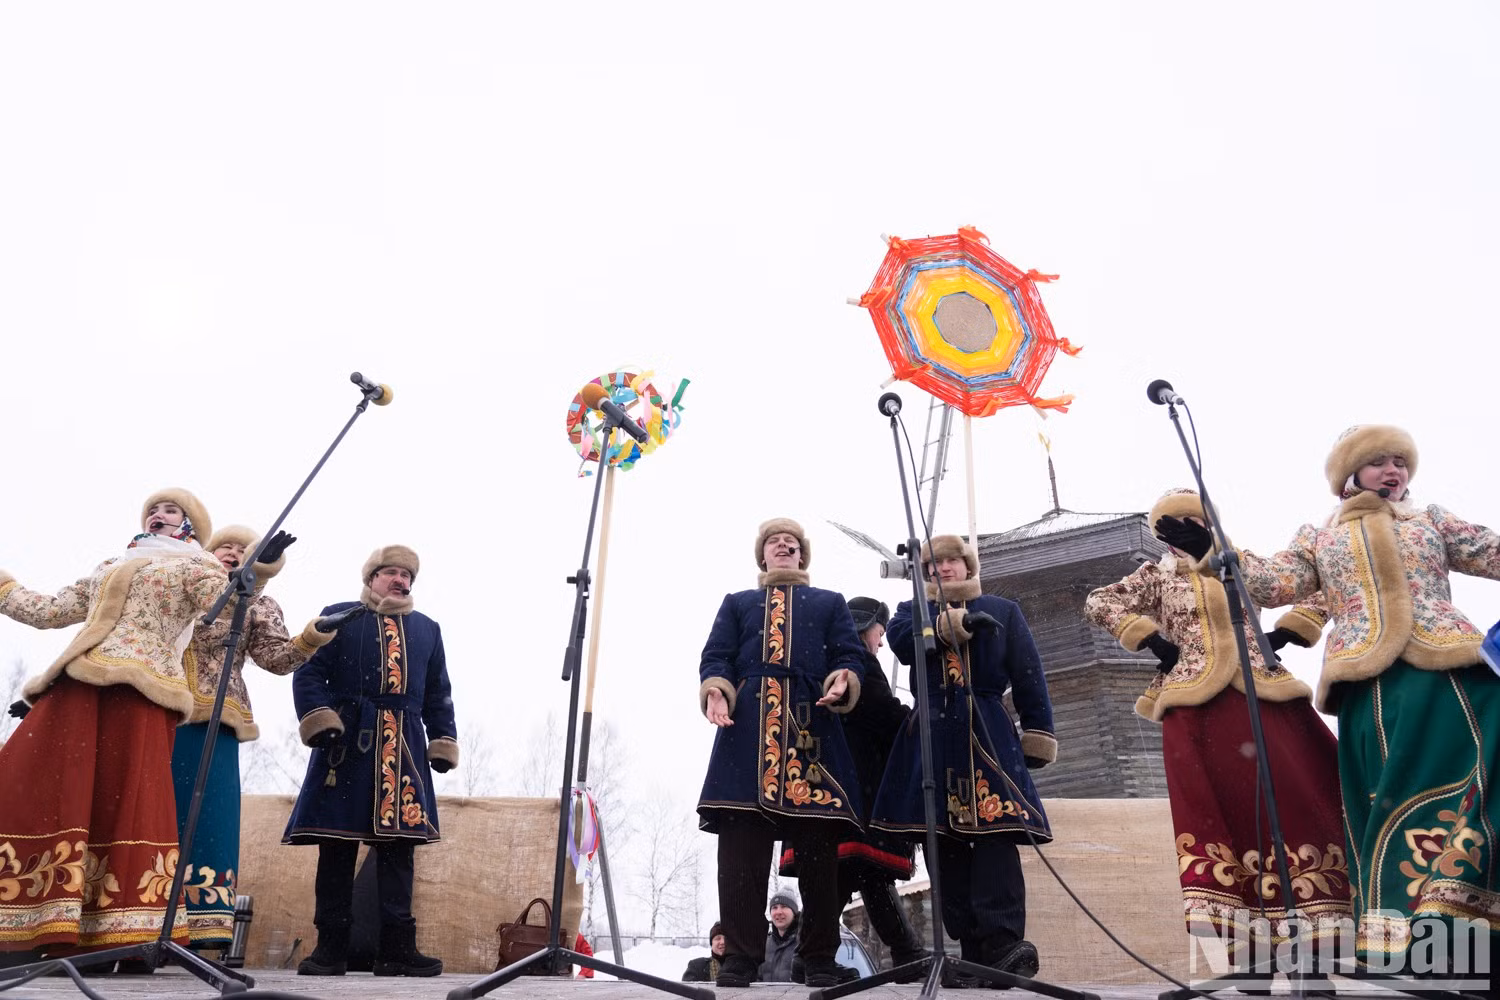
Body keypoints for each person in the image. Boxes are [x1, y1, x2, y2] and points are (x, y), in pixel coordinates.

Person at [1157, 425, 1500, 981]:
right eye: (1379, 463)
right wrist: (1214, 552)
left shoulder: (1431, 519)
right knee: (1388, 799)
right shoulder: (1319, 537)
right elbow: (1268, 585)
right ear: (1349, 475)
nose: (1395, 472)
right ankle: (1410, 946)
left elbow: (1493, 552)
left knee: (1479, 779)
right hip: (1368, 681)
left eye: (1400, 462)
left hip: (1451, 666)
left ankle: (1471, 928)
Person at [1084, 489, 1351, 975]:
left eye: (1194, 519)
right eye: (1174, 523)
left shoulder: (1238, 562)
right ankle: (1245, 951)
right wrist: (1151, 640)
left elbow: (1316, 584)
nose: (1186, 528)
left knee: (1299, 795)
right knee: (1214, 811)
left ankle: (1316, 936)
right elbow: (1100, 601)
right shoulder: (1155, 576)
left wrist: (1288, 631)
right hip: (1196, 707)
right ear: (1161, 535)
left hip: (1260, 692)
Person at [0, 489, 228, 961]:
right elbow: (50, 611)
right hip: (78, 683)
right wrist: (4, 587)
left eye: (171, 510)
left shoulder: (198, 566)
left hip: (143, 689)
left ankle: (121, 935)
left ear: (190, 527)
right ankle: (40, 926)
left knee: (123, 798)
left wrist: (251, 576)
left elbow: (220, 607)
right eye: (153, 509)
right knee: (37, 783)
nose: (158, 514)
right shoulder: (109, 566)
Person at [871, 534, 1055, 982]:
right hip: (931, 736)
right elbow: (901, 644)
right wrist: (952, 623)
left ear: (967, 565)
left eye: (952, 561)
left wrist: (1038, 731)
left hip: (987, 731)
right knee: (943, 844)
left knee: (997, 835)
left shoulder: (1005, 610)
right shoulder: (909, 612)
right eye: (934, 565)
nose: (943, 569)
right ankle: (972, 949)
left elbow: (1029, 674)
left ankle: (1004, 944)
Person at [695, 518, 866, 988]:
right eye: (775, 542)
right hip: (746, 734)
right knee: (739, 856)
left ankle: (819, 959)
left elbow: (850, 657)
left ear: (802, 555)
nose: (784, 545)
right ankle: (741, 960)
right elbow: (716, 657)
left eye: (792, 542)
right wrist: (716, 690)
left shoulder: (830, 603)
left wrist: (844, 678)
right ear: (763, 555)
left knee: (818, 857)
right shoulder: (738, 604)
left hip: (813, 734)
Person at [283, 545, 458, 978]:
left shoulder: (428, 629)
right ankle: (331, 948)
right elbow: (307, 670)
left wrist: (442, 738)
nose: (400, 581)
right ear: (371, 577)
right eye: (392, 573)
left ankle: (397, 950)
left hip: (405, 749)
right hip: (347, 742)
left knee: (399, 852)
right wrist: (319, 717)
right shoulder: (341, 615)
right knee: (336, 847)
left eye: (407, 576)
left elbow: (438, 691)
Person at [170, 525, 330, 951]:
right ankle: (137, 919)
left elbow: (277, 659)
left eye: (243, 550)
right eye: (225, 546)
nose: (233, 553)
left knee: (209, 820)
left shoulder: (259, 602)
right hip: (159, 709)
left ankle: (201, 926)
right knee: (151, 816)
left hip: (217, 718)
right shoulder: (179, 586)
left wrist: (313, 636)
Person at [779, 596, 925, 979]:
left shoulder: (823, 661)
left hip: (823, 785)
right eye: (879, 632)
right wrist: (918, 720)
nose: (880, 641)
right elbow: (885, 715)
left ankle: (811, 957)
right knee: (854, 869)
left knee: (848, 872)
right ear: (868, 628)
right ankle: (899, 955)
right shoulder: (859, 665)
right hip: (857, 790)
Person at [759, 891, 801, 982]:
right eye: (774, 907)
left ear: (794, 912)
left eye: (784, 906)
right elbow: (757, 978)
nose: (778, 912)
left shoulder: (805, 943)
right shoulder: (763, 944)